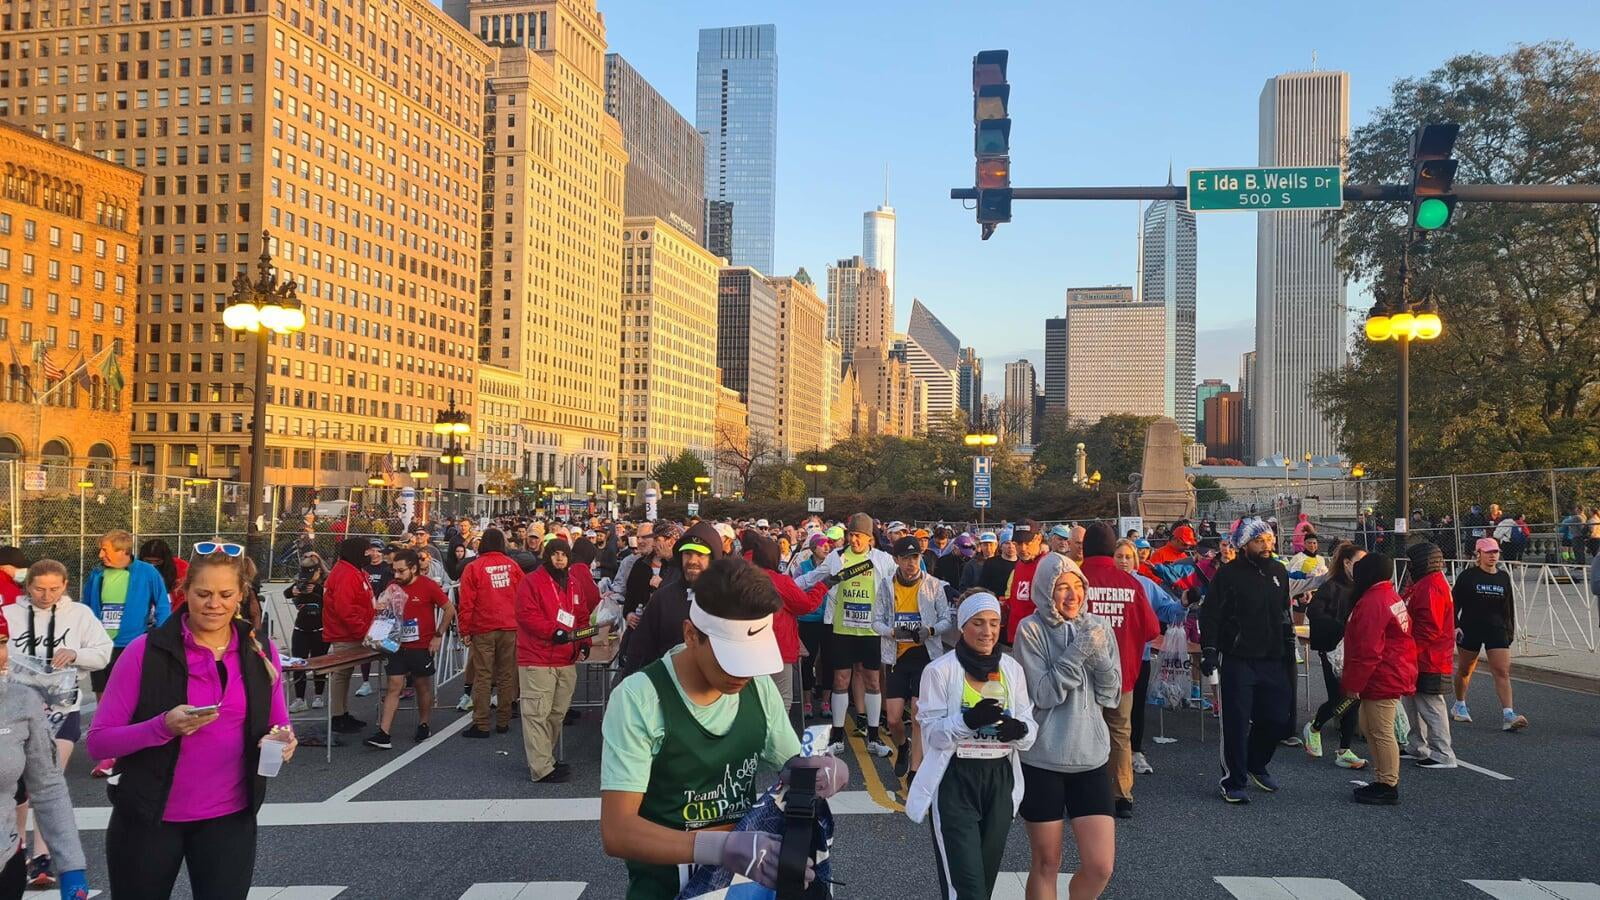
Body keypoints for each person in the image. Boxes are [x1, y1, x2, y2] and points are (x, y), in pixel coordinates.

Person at [599, 558, 846, 899]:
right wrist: (717, 847)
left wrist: (815, 770)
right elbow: (618, 831)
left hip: (743, 887)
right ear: (691, 635)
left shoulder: (757, 688)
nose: (742, 674)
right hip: (665, 889)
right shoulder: (640, 699)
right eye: (731, 659)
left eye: (752, 658)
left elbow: (791, 763)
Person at [86, 551, 296, 899]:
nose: (214, 604)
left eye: (226, 595)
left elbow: (280, 724)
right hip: (148, 819)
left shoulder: (261, 651)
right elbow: (99, 742)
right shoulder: (144, 652)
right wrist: (162, 727)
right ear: (185, 591)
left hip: (230, 817)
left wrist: (284, 740)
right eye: (203, 594)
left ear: (242, 593)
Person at [906, 592, 1036, 900]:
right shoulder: (939, 671)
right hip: (956, 779)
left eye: (993, 623)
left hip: (999, 780)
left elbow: (1030, 731)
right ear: (962, 626)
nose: (987, 631)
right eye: (978, 623)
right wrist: (967, 720)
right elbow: (933, 736)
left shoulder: (1011, 669)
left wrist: (1019, 729)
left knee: (984, 885)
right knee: (967, 888)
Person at [1014, 553, 1119, 900]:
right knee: (1047, 862)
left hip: (1091, 758)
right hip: (1043, 760)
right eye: (1062, 587)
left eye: (1078, 586)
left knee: (1100, 866)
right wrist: (1079, 650)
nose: (1072, 595)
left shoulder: (1099, 626)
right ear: (1045, 592)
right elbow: (1043, 694)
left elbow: (1111, 693)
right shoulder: (1030, 629)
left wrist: (1098, 653)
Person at [6, 560, 111, 891]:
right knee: (17, 784)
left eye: (55, 588)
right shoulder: (10, 613)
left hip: (61, 708)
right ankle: (16, 845)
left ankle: (42, 856)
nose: (47, 595)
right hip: (16, 710)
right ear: (27, 586)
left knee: (48, 780)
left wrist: (75, 653)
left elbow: (103, 652)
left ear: (65, 585)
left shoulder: (79, 614)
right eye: (39, 588)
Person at [1200, 517, 1293, 804]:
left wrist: (1289, 645)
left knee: (1278, 718)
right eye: (1259, 541)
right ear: (1244, 545)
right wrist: (1210, 650)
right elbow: (1211, 614)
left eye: (1269, 539)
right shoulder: (1228, 574)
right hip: (1238, 658)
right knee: (1237, 722)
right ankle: (1233, 779)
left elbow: (1283, 613)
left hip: (1272, 657)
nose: (1267, 545)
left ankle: (1256, 762)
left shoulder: (1279, 571)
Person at [793, 513, 897, 757]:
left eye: (859, 536)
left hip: (870, 630)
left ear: (870, 538)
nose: (854, 540)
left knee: (872, 680)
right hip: (841, 629)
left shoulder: (883, 560)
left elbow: (902, 580)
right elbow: (812, 578)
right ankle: (837, 737)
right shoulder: (837, 557)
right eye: (851, 535)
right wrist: (787, 586)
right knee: (840, 681)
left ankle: (873, 737)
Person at [1078, 523, 1159, 818]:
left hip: (1080, 675)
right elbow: (1151, 629)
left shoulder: (1075, 580)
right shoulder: (1131, 583)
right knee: (1120, 734)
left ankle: (1086, 792)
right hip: (1122, 673)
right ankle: (1122, 794)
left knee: (1083, 731)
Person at [82, 529, 171, 778]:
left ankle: (132, 749)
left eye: (105, 549)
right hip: (102, 645)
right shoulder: (97, 574)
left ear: (123, 551)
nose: (101, 554)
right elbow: (87, 607)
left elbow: (162, 605)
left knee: (132, 698)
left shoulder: (147, 572)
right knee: (103, 700)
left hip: (132, 644)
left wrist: (163, 637)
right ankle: (107, 755)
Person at [514, 538, 599, 782]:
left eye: (563, 554)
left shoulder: (572, 583)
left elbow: (582, 614)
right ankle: (541, 768)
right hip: (537, 656)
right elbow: (526, 615)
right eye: (555, 554)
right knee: (537, 713)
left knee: (556, 713)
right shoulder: (532, 581)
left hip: (565, 657)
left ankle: (545, 758)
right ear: (547, 556)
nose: (559, 558)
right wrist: (554, 632)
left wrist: (585, 641)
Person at [873, 535, 955, 784]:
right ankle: (903, 746)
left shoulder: (934, 585)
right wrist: (891, 631)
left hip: (925, 657)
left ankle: (915, 770)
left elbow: (946, 619)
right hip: (897, 656)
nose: (911, 564)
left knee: (919, 714)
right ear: (896, 560)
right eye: (906, 559)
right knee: (895, 718)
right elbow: (875, 620)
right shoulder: (887, 585)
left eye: (915, 558)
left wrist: (929, 631)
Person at [1340, 552, 1416, 805]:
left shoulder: (1374, 600)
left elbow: (1367, 649)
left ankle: (1388, 783)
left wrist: (1354, 684)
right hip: (1388, 670)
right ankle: (1382, 778)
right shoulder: (1387, 595)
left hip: (1381, 674)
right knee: (1371, 727)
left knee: (1381, 731)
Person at [365, 549, 454, 749]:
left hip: (421, 645)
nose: (396, 575)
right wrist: (381, 607)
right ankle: (384, 733)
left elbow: (449, 609)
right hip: (396, 645)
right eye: (394, 570)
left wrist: (438, 636)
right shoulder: (393, 585)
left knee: (422, 685)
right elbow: (385, 609)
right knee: (394, 685)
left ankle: (424, 724)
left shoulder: (428, 586)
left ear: (413, 568)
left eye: (401, 571)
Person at [1112, 538, 1185, 778]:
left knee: (1135, 707)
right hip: (1107, 657)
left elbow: (1167, 609)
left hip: (1137, 656)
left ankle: (1135, 751)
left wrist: (1184, 602)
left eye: (1127, 557)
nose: (1123, 561)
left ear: (1136, 560)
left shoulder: (1145, 585)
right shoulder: (1103, 583)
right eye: (1119, 556)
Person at [620, 522, 724, 676]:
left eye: (700, 554)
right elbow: (641, 650)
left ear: (713, 558)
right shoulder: (663, 597)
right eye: (687, 553)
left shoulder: (729, 599)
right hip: (669, 686)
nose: (692, 560)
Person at [1301, 542, 1369, 769]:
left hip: (1354, 649)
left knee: (1354, 698)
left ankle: (1344, 749)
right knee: (1339, 698)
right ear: (1347, 563)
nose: (1362, 568)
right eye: (1359, 563)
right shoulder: (1332, 585)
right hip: (1331, 648)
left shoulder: (1363, 586)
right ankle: (1314, 727)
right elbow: (1314, 611)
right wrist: (1342, 627)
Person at [1452, 537, 1526, 730]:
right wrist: (1455, 624)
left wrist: (1510, 630)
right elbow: (1454, 603)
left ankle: (1508, 715)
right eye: (1488, 552)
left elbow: (1508, 606)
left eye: (1496, 552)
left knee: (1502, 671)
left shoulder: (1503, 577)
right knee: (1466, 669)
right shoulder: (1467, 576)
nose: (1493, 556)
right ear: (1479, 554)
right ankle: (1459, 704)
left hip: (1497, 629)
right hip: (1471, 628)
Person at [457, 529, 524, 738]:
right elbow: (523, 595)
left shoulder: (474, 567)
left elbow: (466, 602)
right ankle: (503, 721)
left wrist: (465, 629)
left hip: (483, 627)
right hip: (509, 627)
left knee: (483, 676)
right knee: (506, 675)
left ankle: (482, 723)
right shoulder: (513, 566)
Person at [1401, 542, 1457, 769]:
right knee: (1414, 702)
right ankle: (1417, 745)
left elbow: (1429, 627)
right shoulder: (1426, 583)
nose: (1409, 567)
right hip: (1423, 654)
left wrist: (1409, 650)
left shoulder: (1430, 586)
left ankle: (1443, 751)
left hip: (1429, 657)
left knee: (1431, 704)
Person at [321, 537, 376, 735]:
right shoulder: (346, 573)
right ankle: (337, 716)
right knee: (341, 674)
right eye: (367, 551)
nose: (370, 554)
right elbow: (346, 610)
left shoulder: (353, 570)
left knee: (345, 674)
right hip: (346, 633)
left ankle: (342, 713)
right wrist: (363, 631)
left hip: (352, 631)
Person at [286, 552, 329, 713]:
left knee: (319, 663)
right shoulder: (300, 581)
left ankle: (319, 695)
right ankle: (299, 698)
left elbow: (330, 599)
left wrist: (317, 589)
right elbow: (287, 593)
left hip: (319, 629)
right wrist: (295, 591)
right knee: (298, 663)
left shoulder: (325, 582)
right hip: (301, 629)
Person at [1000, 523, 1045, 647]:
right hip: (1018, 637)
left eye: (1028, 543)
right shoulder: (1020, 564)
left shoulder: (1047, 564)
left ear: (1038, 539)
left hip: (1037, 639)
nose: (1023, 548)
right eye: (1018, 544)